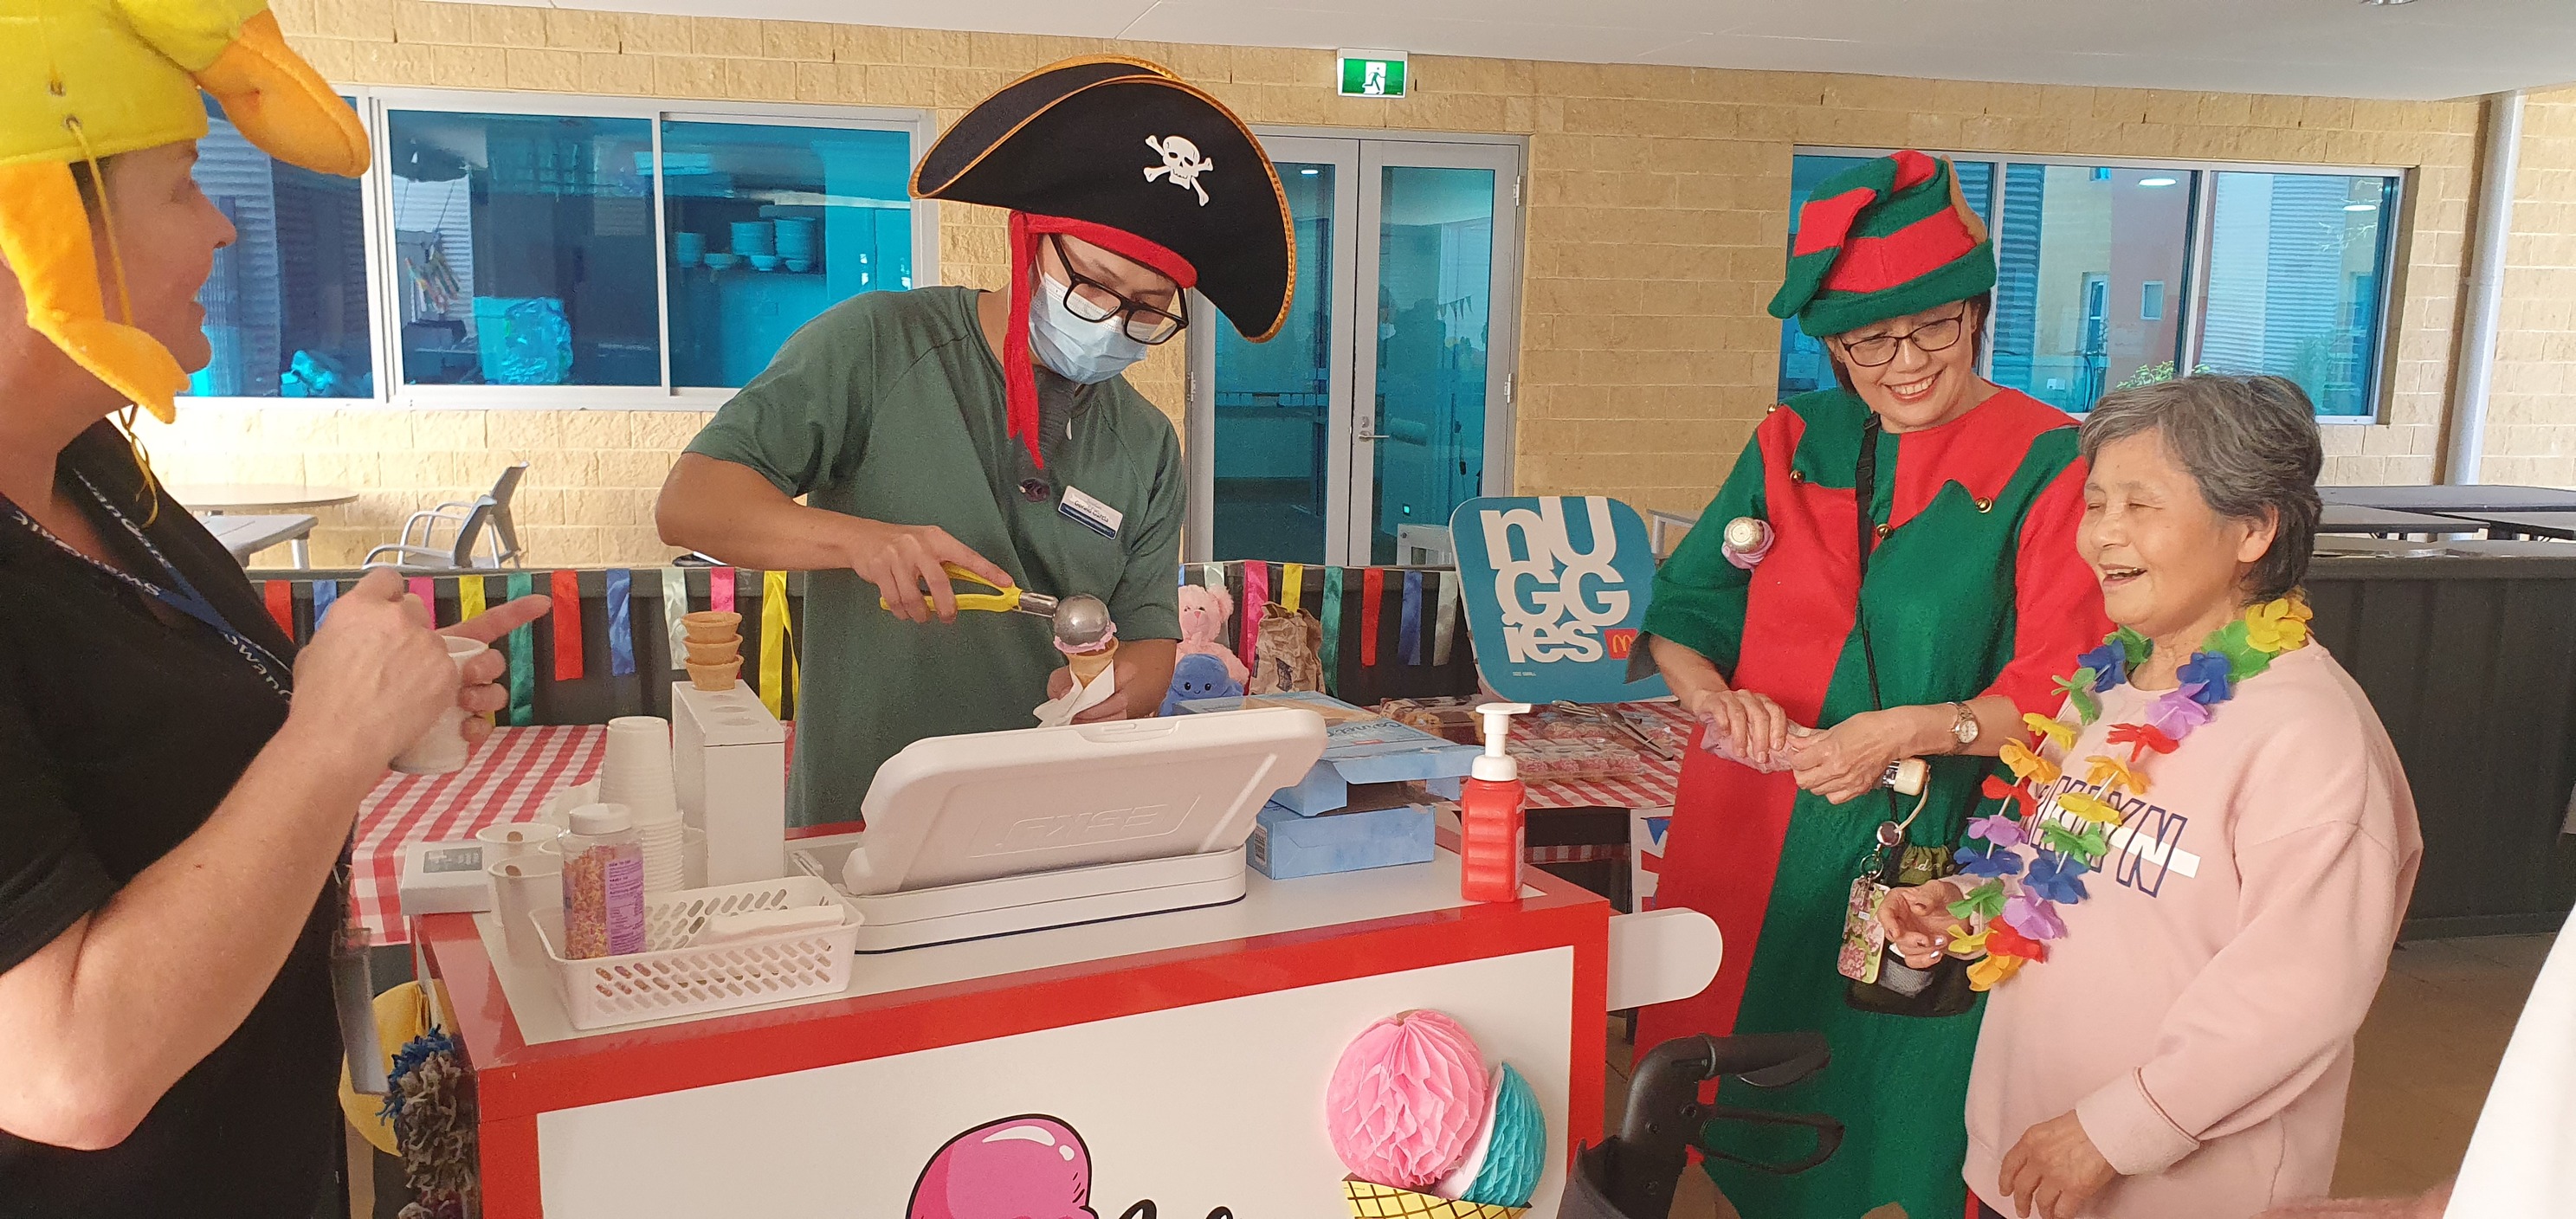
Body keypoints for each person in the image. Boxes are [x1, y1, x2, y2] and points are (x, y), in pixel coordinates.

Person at [0, 6, 547, 1212]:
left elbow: (181, 780)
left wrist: (366, 700)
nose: (222, 222)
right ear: (31, 231)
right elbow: (65, 1067)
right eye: (182, 183)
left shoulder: (99, 472)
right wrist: (328, 736)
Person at [1635, 150, 2111, 1218]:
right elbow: (1682, 612)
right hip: (1757, 827)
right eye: (1867, 341)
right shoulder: (1794, 437)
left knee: (1902, 1126)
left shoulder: (2049, 460)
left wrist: (1907, 728)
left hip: (1923, 854)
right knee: (1726, 1098)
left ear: (1975, 311)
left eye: (1932, 326)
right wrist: (1716, 697)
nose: (1903, 361)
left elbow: (2066, 696)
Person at [656, 57, 1294, 822]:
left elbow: (1153, 630)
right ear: (1029, 241)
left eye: (1148, 310)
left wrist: (1123, 690)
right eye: (1091, 283)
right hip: (865, 805)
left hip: (1050, 809)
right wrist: (861, 541)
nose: (1112, 321)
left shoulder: (1147, 443)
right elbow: (691, 504)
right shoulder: (878, 345)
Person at [1878, 375, 2424, 1219]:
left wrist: (2112, 1132)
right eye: (2094, 503)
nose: (2102, 535)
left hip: (2174, 1189)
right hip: (2028, 1150)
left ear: (2251, 528)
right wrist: (1966, 903)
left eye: (2140, 505)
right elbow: (2057, 871)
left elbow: (2296, 995)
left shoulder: (2309, 737)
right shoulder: (2104, 687)